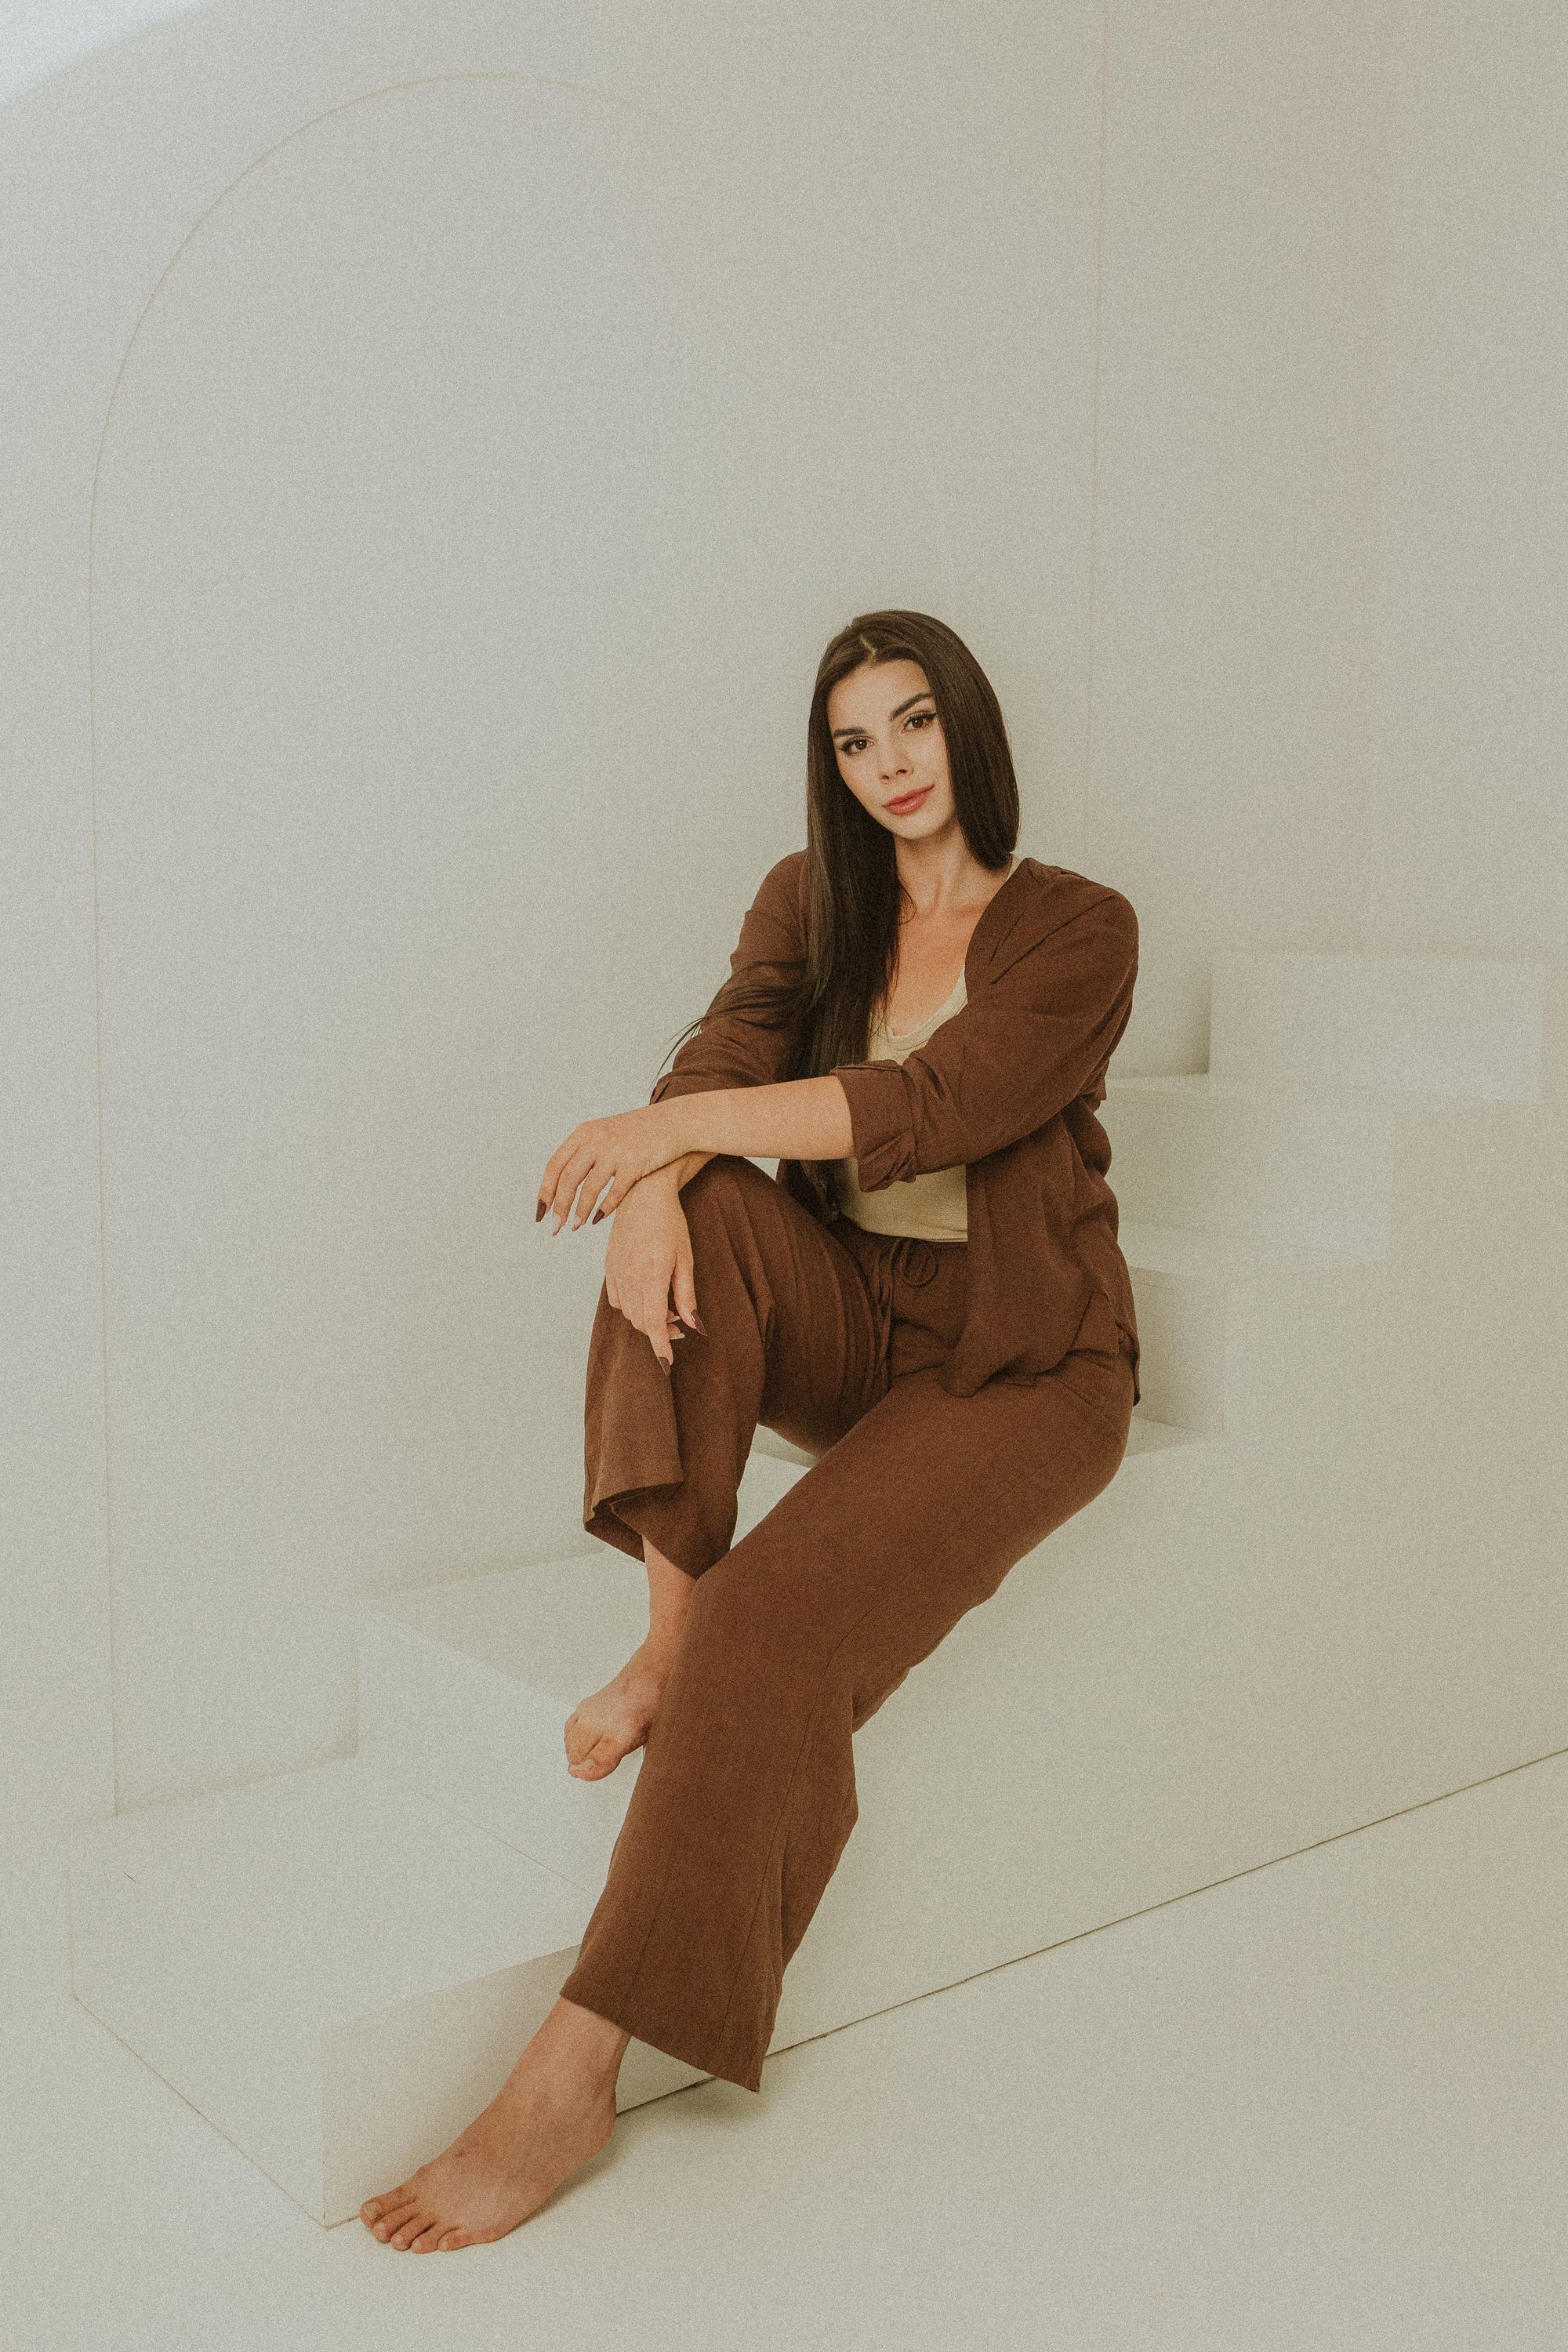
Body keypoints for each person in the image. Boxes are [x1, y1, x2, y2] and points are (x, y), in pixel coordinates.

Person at [361, 609, 1141, 2252]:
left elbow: (935, 1107)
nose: (890, 765)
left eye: (914, 722)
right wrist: (663, 1183)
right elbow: (730, 1040)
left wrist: (669, 1136)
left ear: (968, 726)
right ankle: (666, 1633)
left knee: (775, 1625)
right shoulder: (813, 901)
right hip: (858, 1315)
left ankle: (574, 2071)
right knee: (700, 1216)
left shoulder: (1078, 927)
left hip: (1017, 1359)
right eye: (855, 742)